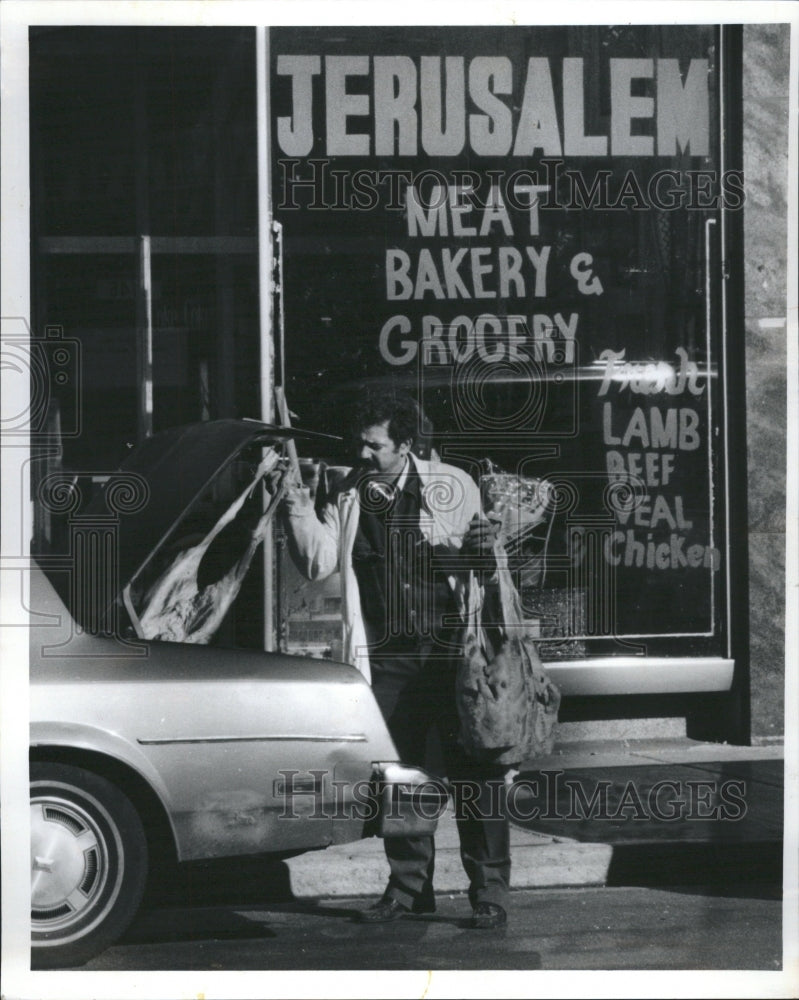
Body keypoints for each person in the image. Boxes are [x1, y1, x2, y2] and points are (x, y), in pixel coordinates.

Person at [280, 389, 511, 929]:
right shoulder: (348, 491)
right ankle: (409, 890)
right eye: (359, 444)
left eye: (375, 446)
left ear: (406, 444)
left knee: (476, 776)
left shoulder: (451, 485)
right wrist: (294, 503)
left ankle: (490, 892)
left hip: (454, 656)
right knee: (404, 778)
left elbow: (486, 565)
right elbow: (317, 561)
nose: (364, 455)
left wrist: (484, 543)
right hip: (388, 660)